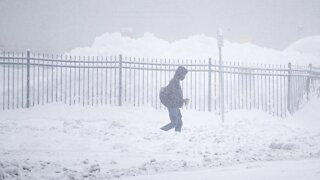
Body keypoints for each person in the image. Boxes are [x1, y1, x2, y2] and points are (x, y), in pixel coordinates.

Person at [160, 66, 189, 132]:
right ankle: (160, 132)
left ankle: (177, 138)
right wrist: (182, 100)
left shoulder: (176, 81)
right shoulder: (174, 82)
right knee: (174, 123)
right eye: (183, 75)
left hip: (174, 105)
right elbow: (173, 97)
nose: (184, 76)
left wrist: (183, 100)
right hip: (172, 105)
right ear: (180, 74)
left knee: (179, 123)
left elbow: (176, 96)